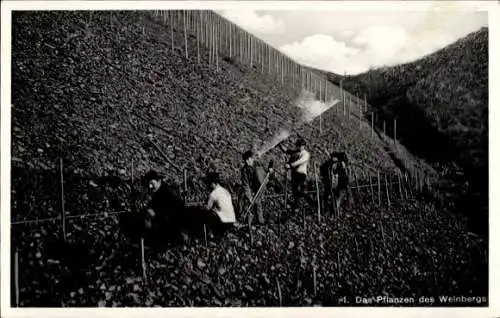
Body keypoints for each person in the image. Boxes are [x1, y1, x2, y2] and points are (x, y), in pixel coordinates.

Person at [140, 170, 188, 244]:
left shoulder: (166, 192)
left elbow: (175, 209)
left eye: (152, 183)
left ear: (159, 181)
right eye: (149, 184)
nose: (150, 186)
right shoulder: (158, 192)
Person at [280, 138, 310, 213]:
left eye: (301, 146)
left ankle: (299, 204)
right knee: (294, 189)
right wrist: (280, 145)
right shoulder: (295, 152)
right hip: (294, 173)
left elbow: (300, 161)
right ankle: (296, 205)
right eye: (298, 145)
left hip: (301, 174)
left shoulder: (305, 154)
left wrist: (290, 165)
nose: (299, 147)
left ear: (303, 146)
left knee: (298, 189)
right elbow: (287, 151)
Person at [203, 172, 236, 238]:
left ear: (212, 183)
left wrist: (203, 206)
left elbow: (208, 207)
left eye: (209, 184)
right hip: (232, 220)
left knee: (204, 214)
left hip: (223, 221)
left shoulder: (214, 193)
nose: (208, 186)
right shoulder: (225, 191)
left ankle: (210, 235)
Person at [240, 150, 268, 224]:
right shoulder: (244, 170)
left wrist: (270, 171)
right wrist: (249, 196)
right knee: (244, 197)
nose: (246, 162)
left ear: (251, 159)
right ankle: (242, 216)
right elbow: (245, 184)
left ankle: (260, 220)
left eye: (248, 159)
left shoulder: (259, 164)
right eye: (245, 160)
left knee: (256, 201)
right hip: (252, 186)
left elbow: (268, 171)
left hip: (262, 184)